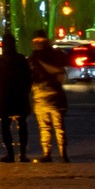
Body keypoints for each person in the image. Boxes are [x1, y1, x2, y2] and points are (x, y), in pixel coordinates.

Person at [0, 33, 33, 162]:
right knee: (22, 124)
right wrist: (26, 90)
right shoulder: (21, 59)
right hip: (20, 95)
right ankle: (23, 154)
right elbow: (29, 77)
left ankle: (10, 154)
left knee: (5, 125)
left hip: (6, 96)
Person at [30, 30, 70, 162]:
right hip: (46, 95)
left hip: (49, 95)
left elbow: (60, 73)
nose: (38, 44)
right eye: (36, 42)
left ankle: (55, 154)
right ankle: (54, 153)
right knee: (52, 127)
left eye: (40, 41)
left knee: (52, 127)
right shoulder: (50, 55)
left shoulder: (38, 57)